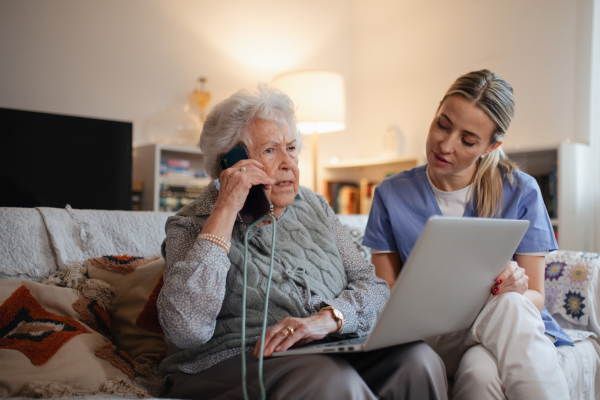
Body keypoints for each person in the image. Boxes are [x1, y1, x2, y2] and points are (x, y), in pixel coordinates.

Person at [157, 84, 448, 400]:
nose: (287, 163)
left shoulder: (316, 206)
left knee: (419, 359)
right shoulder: (191, 223)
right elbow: (186, 330)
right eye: (270, 150)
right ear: (230, 162)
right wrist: (226, 208)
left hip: (323, 348)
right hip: (226, 363)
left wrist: (330, 319)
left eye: (292, 148)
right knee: (328, 379)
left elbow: (374, 286)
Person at [362, 69, 572, 400]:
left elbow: (535, 297)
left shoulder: (520, 191)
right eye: (442, 125)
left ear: (491, 146)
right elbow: (385, 297)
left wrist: (514, 289)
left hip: (501, 330)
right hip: (431, 337)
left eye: (468, 140)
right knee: (508, 309)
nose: (445, 145)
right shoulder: (392, 193)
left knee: (481, 371)